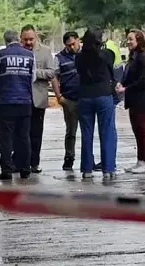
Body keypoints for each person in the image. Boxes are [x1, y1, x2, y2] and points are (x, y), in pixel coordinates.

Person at [0, 29, 36, 181]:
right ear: (18, 39)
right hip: (25, 102)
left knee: (6, 138)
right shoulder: (30, 55)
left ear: (5, 40)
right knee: (24, 137)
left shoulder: (1, 54)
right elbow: (33, 78)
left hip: (5, 102)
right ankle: (25, 169)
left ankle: (7, 170)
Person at [51, 32, 103, 172]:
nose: (72, 47)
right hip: (69, 99)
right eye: (69, 45)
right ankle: (69, 158)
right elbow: (54, 77)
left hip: (86, 97)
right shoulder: (59, 58)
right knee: (71, 131)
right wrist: (59, 97)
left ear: (79, 41)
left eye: (74, 43)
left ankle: (89, 160)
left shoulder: (86, 54)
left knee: (88, 131)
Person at [75, 27, 118, 178]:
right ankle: (108, 168)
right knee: (107, 132)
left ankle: (87, 169)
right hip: (103, 95)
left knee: (86, 134)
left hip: (85, 96)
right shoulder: (107, 54)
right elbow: (111, 70)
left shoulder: (79, 57)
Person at [116, 29, 145, 173]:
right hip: (135, 101)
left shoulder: (144, 57)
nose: (128, 42)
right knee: (138, 131)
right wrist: (121, 83)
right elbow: (128, 75)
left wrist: (126, 88)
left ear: (139, 41)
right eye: (127, 39)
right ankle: (140, 161)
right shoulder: (133, 57)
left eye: (131, 39)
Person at [19, 24, 55, 173]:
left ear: (36, 37)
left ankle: (34, 163)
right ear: (20, 39)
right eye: (25, 39)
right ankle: (21, 163)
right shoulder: (18, 52)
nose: (28, 42)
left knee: (36, 133)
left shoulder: (45, 51)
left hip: (38, 99)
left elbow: (52, 72)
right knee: (21, 133)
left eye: (31, 39)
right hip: (21, 99)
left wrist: (35, 72)